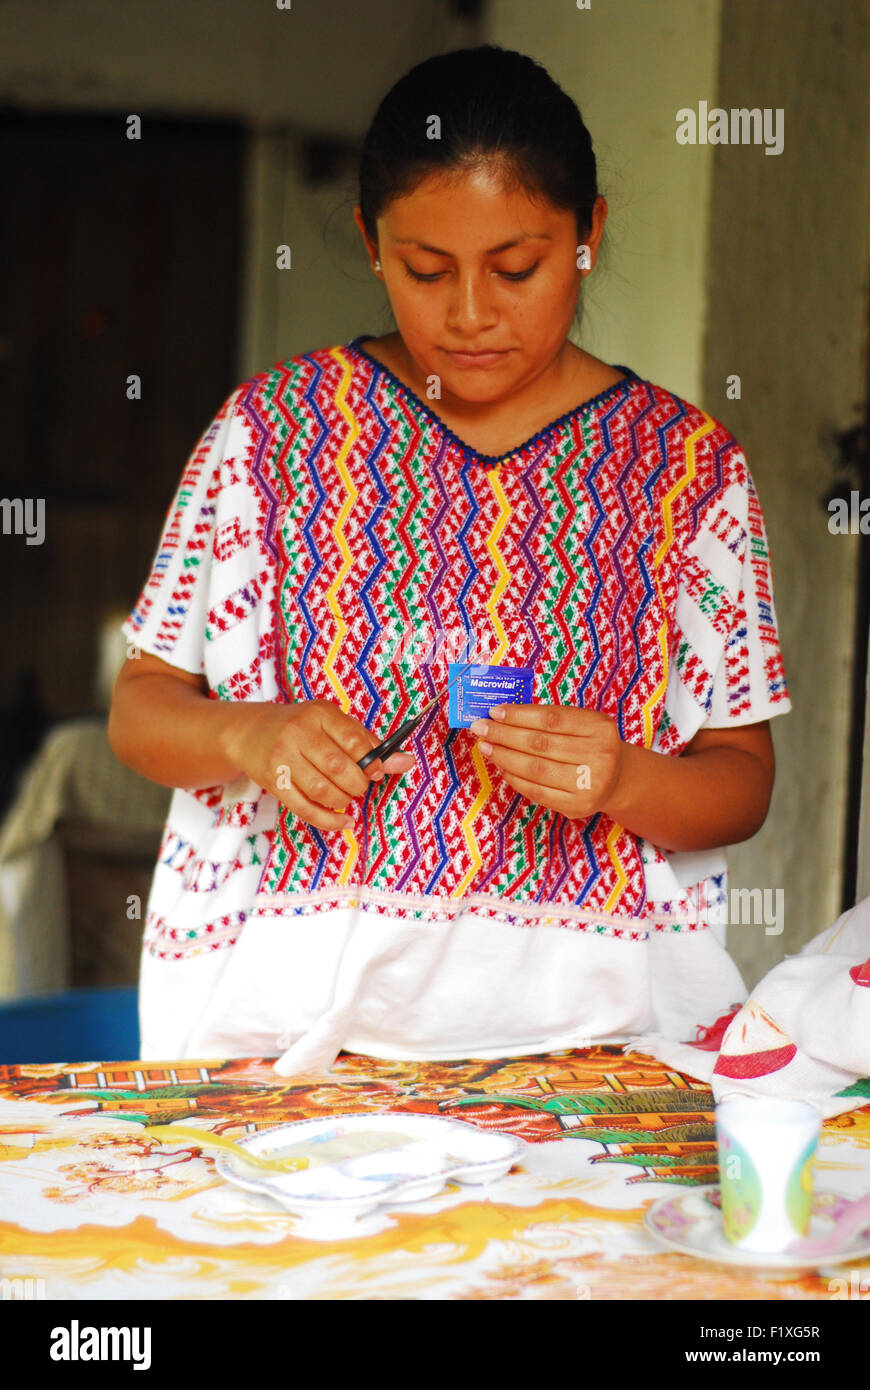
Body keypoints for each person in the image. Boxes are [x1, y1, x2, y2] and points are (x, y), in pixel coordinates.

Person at [108, 45, 792, 1070]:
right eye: (426, 270)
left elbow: (740, 780)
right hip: (301, 1048)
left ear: (590, 233)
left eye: (517, 267)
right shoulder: (273, 434)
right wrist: (253, 737)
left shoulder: (685, 471)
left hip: (588, 1047)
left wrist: (620, 777)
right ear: (369, 245)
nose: (470, 314)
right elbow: (142, 706)